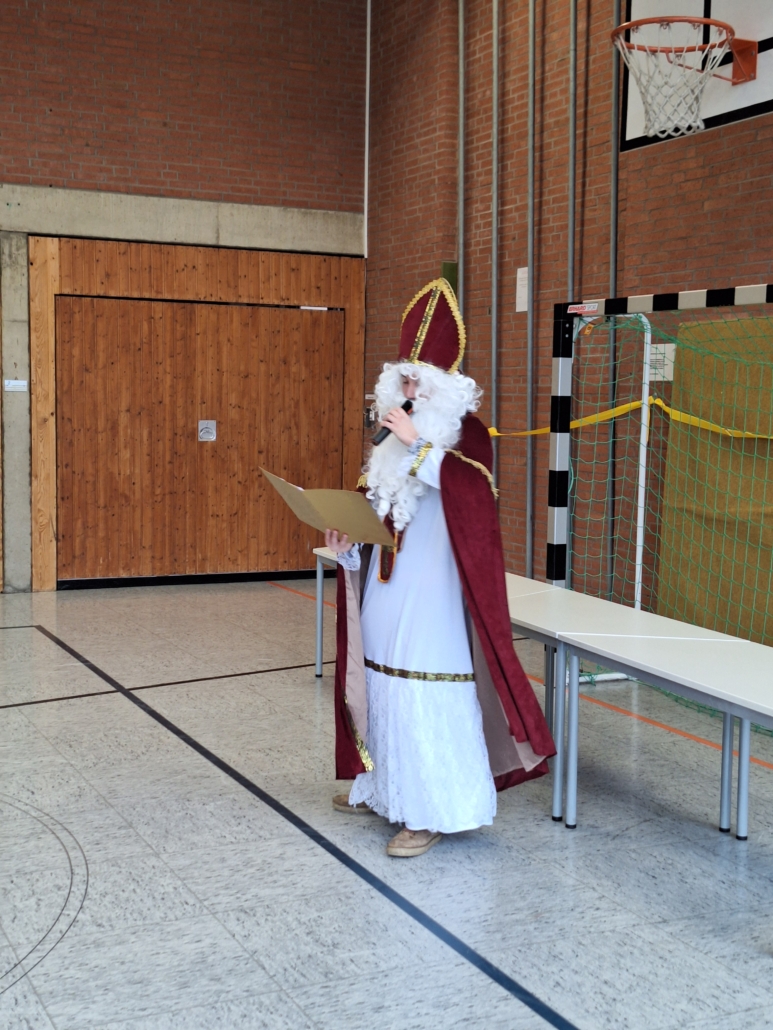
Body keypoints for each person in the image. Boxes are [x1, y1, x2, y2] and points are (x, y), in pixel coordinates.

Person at [327, 278, 555, 858]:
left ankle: (430, 812)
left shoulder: (466, 436)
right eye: (403, 381)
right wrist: (347, 540)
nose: (409, 392)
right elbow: (376, 512)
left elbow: (473, 499)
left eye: (419, 382)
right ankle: (382, 788)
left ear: (444, 387)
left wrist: (418, 446)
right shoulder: (389, 444)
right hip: (386, 590)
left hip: (436, 598)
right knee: (380, 684)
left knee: (423, 693)